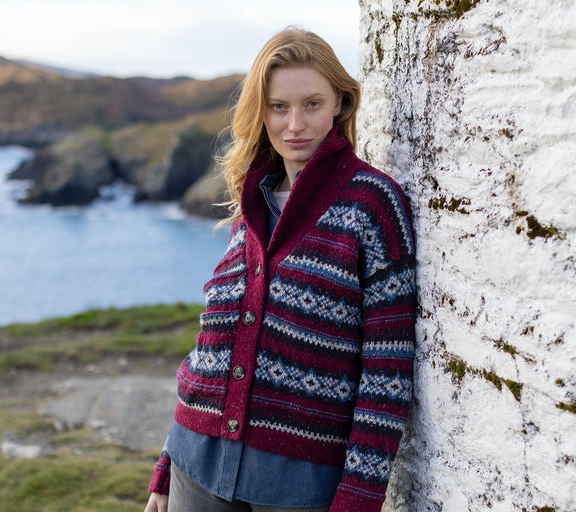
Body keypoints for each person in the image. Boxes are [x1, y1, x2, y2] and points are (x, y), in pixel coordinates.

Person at [144, 27, 416, 512]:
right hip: (196, 467)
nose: (296, 124)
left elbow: (387, 369)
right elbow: (212, 349)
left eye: (312, 104)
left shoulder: (372, 204)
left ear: (340, 104)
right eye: (278, 107)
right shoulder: (250, 209)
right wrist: (167, 466)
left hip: (297, 490)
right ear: (260, 112)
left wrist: (359, 499)